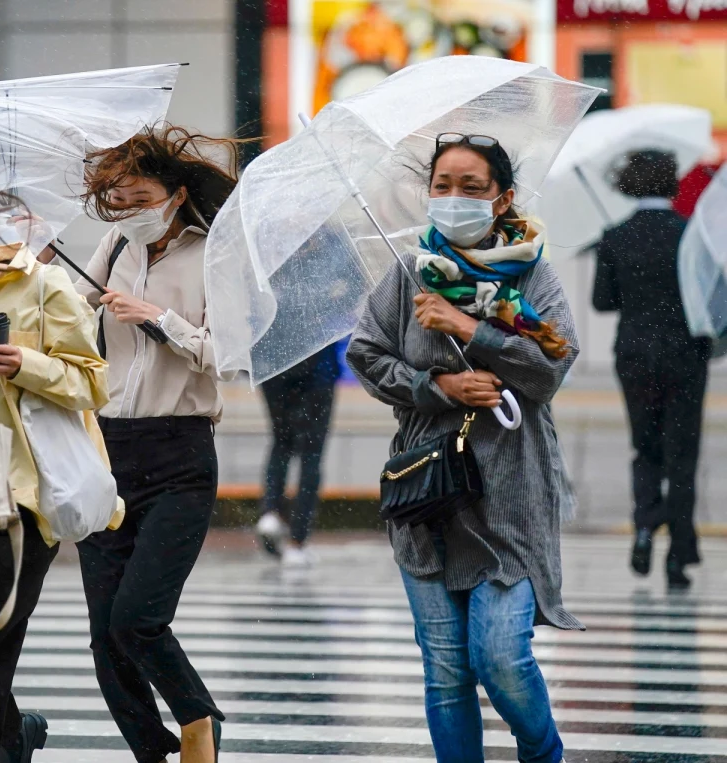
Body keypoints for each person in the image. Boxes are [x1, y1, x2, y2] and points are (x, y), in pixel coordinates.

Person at [347, 133, 578, 763]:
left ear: (502, 200)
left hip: (512, 496)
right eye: (442, 186)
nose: (453, 199)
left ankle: (542, 753)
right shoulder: (407, 275)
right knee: (446, 673)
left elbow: (551, 369)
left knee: (501, 655)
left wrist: (473, 330)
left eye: (471, 188)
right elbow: (366, 357)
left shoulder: (533, 274)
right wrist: (437, 385)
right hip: (429, 495)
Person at [48, 125, 238, 763]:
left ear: (176, 194)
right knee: (106, 642)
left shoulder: (214, 255)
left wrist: (159, 319)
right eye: (119, 202)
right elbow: (67, 323)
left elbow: (229, 359)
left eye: (141, 197)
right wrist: (39, 276)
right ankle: (154, 754)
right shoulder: (110, 249)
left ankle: (197, 715)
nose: (130, 212)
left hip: (180, 455)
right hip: (106, 452)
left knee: (137, 619)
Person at [0, 240, 119, 763]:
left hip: (19, 494)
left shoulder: (41, 284)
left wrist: (25, 365)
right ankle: (8, 737)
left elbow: (92, 381)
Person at [593, 149, 709, 590]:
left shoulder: (615, 235)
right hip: (684, 353)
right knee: (682, 454)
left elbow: (602, 302)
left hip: (635, 353)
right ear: (672, 183)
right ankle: (679, 555)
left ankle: (644, 525)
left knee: (645, 447)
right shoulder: (690, 235)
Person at [254, 343, 343, 567]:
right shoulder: (321, 307)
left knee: (281, 443)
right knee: (311, 454)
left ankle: (271, 512)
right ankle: (297, 542)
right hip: (318, 369)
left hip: (275, 364)